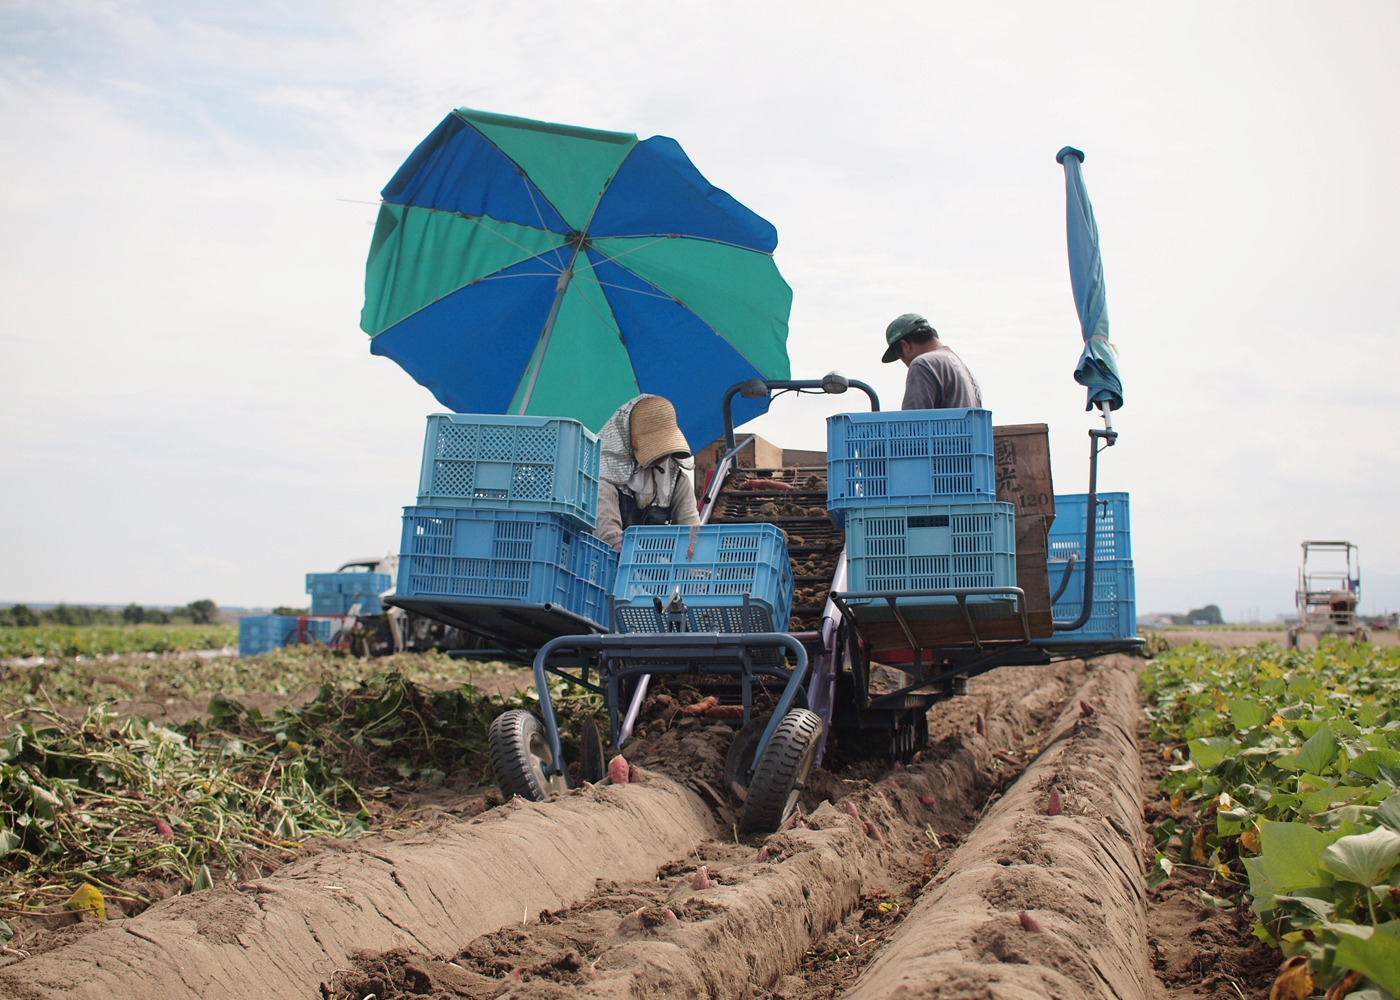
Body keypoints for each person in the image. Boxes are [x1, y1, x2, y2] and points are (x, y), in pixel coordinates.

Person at [593, 395, 700, 551]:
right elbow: (607, 532)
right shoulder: (605, 476)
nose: (662, 457)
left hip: (654, 566)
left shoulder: (676, 480)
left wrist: (692, 550)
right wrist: (624, 552)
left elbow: (690, 529)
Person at [882, 312, 983, 410]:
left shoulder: (922, 364)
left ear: (905, 345)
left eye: (901, 357)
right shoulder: (961, 366)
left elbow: (913, 422)